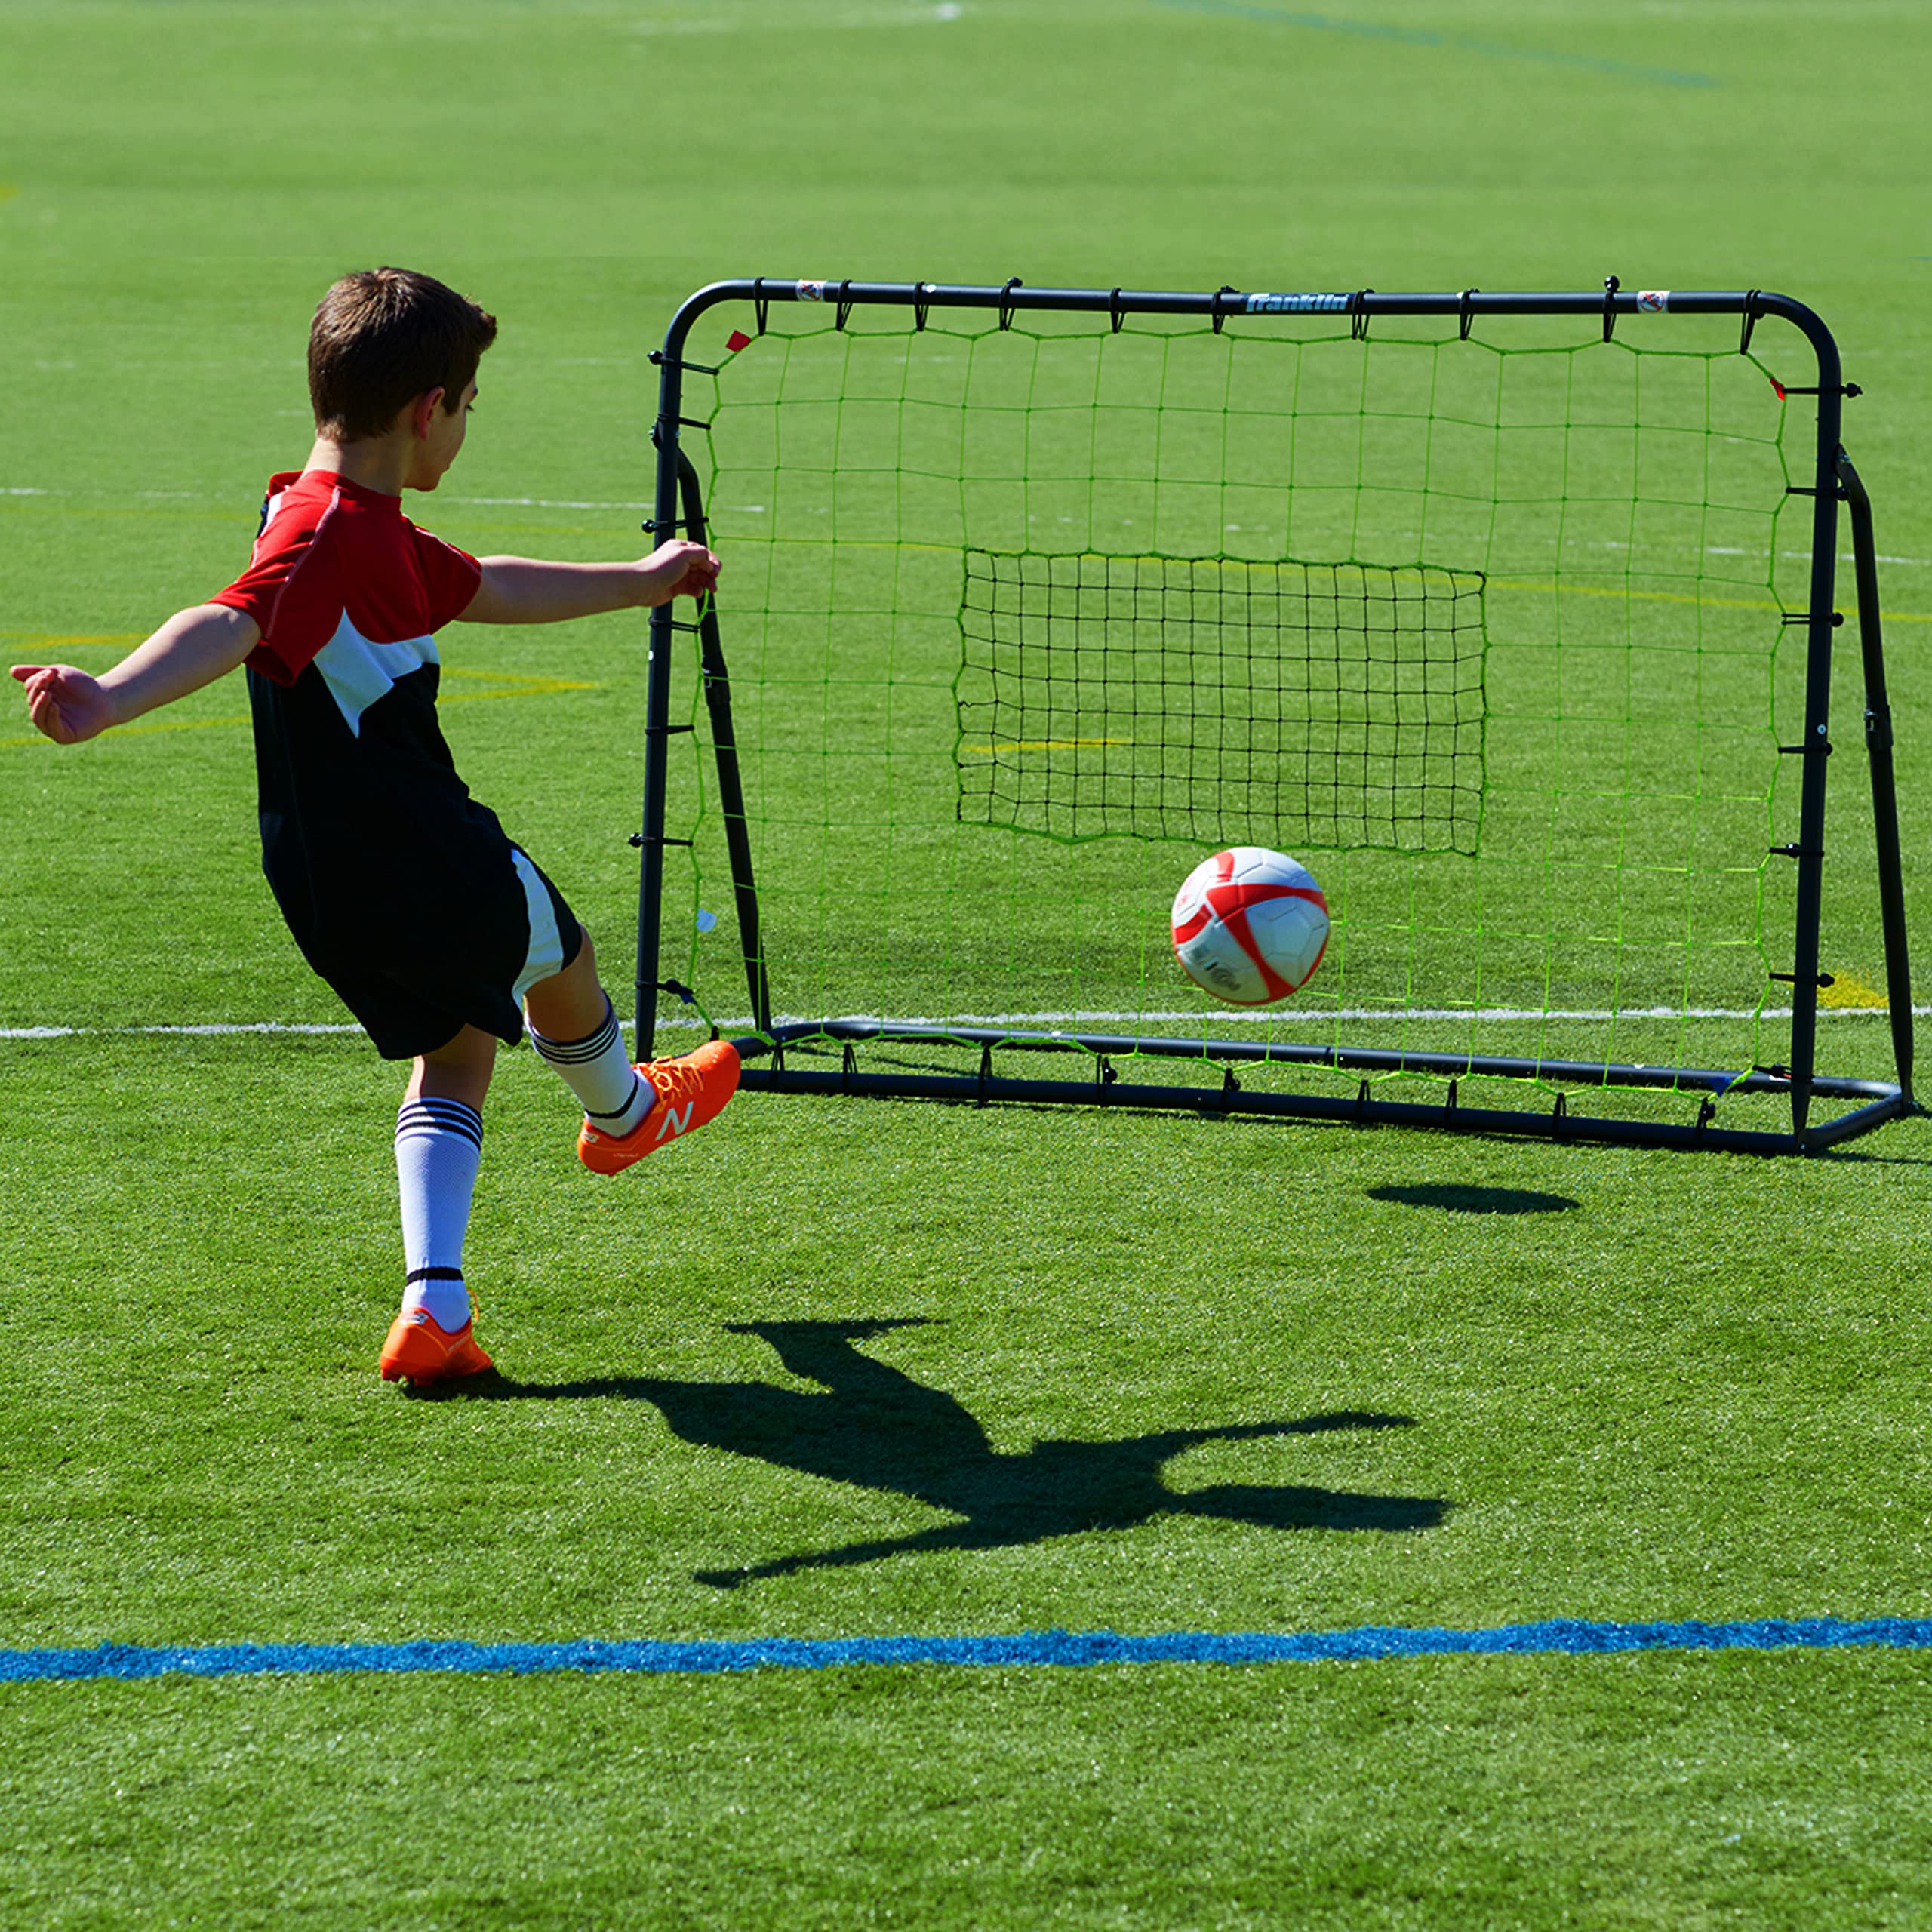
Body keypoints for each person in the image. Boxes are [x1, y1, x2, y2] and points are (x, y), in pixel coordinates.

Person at [11, 266, 737, 1389]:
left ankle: (434, 1309)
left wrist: (642, 581)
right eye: (468, 410)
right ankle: (628, 1112)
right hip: (426, 850)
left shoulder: (349, 524)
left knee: (455, 1051)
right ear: (425, 411)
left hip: (323, 878)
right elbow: (233, 619)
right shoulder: (322, 536)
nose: (465, 432)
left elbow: (482, 583)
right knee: (565, 954)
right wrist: (105, 697)